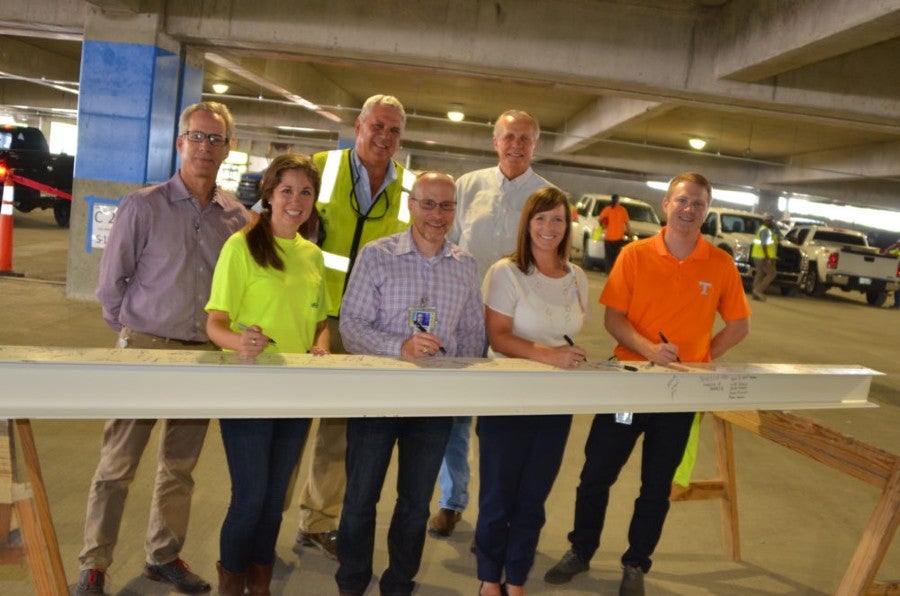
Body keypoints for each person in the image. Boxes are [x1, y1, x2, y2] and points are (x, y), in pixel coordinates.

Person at [544, 172, 750, 596]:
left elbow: (739, 325)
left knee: (656, 486)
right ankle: (580, 551)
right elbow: (614, 319)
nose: (689, 209)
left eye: (698, 203)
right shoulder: (635, 255)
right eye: (682, 201)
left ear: (706, 211)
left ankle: (636, 563)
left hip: (679, 395)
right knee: (597, 474)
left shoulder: (720, 263)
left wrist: (701, 358)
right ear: (666, 205)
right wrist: (647, 350)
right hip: (629, 383)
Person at [80, 101, 249, 596]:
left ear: (228, 150)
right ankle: (94, 563)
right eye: (196, 137)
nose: (205, 147)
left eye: (215, 140)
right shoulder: (143, 205)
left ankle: (163, 554)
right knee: (117, 465)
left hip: (201, 354)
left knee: (179, 468)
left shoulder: (236, 217)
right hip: (144, 349)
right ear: (180, 143)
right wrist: (132, 334)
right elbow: (111, 286)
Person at [335, 172, 485, 596]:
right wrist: (399, 346)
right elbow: (351, 327)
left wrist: (459, 378)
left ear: (455, 211)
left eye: (446, 206)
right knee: (360, 500)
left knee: (414, 505)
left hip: (432, 405)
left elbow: (473, 337)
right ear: (411, 206)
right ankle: (351, 581)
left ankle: (399, 582)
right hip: (377, 399)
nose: (437, 215)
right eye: (428, 204)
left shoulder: (466, 266)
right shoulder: (377, 255)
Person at [294, 94, 416, 559]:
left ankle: (317, 520)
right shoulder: (319, 168)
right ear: (358, 125)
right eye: (377, 126)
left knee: (338, 431)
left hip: (365, 324)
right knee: (286, 423)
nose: (384, 137)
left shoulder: (408, 188)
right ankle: (266, 517)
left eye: (393, 131)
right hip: (309, 316)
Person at [205, 154, 330, 595]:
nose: (296, 201)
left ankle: (260, 581)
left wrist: (322, 345)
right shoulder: (240, 247)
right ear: (270, 194)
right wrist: (241, 342)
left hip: (296, 392)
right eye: (287, 191)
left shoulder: (313, 255)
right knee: (250, 497)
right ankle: (231, 581)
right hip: (248, 390)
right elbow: (215, 323)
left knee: (274, 499)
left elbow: (320, 321)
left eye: (306, 192)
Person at [429, 109, 554, 540]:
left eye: (525, 138)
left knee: (507, 420)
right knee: (456, 415)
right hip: (465, 315)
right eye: (509, 137)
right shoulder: (467, 186)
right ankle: (452, 500)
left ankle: (502, 507)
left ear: (536, 145)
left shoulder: (548, 195)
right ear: (495, 141)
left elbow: (555, 260)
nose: (516, 145)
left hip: (518, 324)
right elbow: (448, 242)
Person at [476, 187, 589, 596]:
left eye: (557, 219)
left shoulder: (576, 277)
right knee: (497, 496)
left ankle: (517, 577)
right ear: (528, 223)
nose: (549, 227)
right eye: (541, 218)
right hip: (507, 398)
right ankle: (490, 578)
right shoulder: (506, 272)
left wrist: (569, 355)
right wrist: (550, 355)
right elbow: (499, 336)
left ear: (567, 226)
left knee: (533, 498)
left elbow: (571, 331)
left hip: (555, 404)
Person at [599, 193, 632, 273]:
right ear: (618, 200)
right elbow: (627, 223)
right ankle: (616, 272)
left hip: (608, 237)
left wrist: (603, 226)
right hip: (618, 237)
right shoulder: (623, 210)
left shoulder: (607, 209)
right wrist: (630, 233)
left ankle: (608, 272)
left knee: (608, 256)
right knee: (617, 256)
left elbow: (600, 219)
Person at [751, 214, 778, 301]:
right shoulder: (765, 231)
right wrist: (767, 257)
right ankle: (758, 291)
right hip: (762, 256)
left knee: (760, 273)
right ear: (765, 221)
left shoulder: (763, 229)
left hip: (757, 255)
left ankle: (755, 293)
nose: (771, 222)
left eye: (771, 220)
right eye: (769, 220)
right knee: (772, 273)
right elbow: (764, 244)